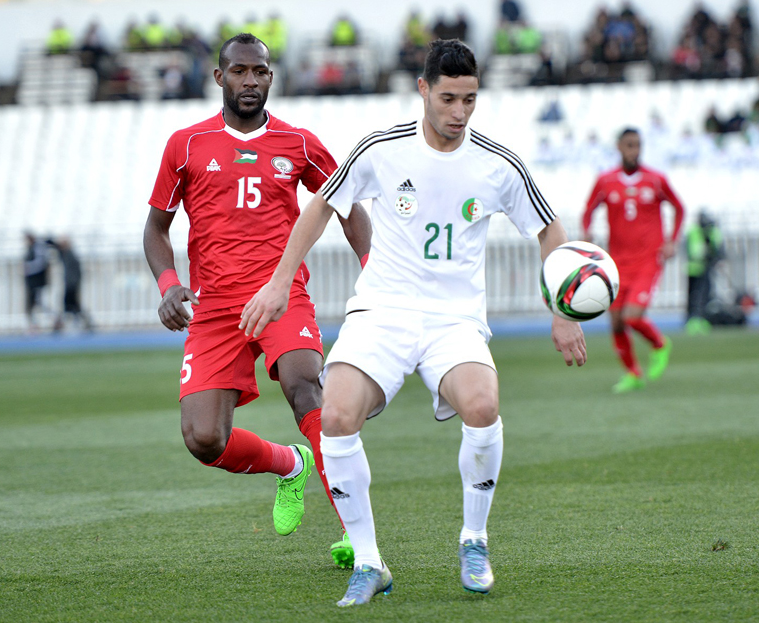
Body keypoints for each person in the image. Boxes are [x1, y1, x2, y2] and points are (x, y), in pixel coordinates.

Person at [242, 39, 586, 606]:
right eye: (448, 98)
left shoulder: (498, 164)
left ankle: (474, 539)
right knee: (336, 415)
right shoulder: (382, 149)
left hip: (454, 320)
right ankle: (369, 562)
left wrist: (563, 309)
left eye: (470, 100)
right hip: (382, 310)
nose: (459, 112)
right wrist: (279, 282)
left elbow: (549, 230)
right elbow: (322, 207)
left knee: (483, 405)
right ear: (423, 90)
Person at [143, 34, 372, 565]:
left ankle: (354, 535)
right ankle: (289, 466)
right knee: (204, 438)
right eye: (240, 72)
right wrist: (168, 285)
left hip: (279, 291)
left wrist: (374, 272)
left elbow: (349, 209)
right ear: (219, 78)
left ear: (272, 77)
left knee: (304, 386)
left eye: (261, 72)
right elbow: (156, 229)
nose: (251, 81)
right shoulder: (187, 145)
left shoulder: (299, 143)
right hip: (215, 306)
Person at [582, 128, 685, 393]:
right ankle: (633, 373)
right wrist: (587, 234)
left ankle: (660, 344)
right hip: (617, 262)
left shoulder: (656, 179)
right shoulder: (606, 181)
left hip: (649, 260)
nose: (634, 150)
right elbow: (588, 210)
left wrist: (672, 240)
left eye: (637, 145)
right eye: (629, 145)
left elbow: (679, 208)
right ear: (618, 147)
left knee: (632, 317)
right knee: (616, 321)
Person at [685, 211, 723, 335]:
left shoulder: (712, 231)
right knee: (695, 296)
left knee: (705, 295)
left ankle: (701, 319)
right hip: (695, 269)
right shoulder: (694, 232)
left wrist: (715, 257)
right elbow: (694, 252)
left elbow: (718, 248)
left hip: (705, 269)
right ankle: (693, 320)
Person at [48, 236, 94, 333]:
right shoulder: (67, 254)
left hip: (71, 285)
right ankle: (83, 323)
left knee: (71, 306)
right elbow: (57, 249)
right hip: (70, 284)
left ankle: (60, 325)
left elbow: (76, 272)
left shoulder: (70, 255)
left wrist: (73, 284)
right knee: (72, 306)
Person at [23, 231, 50, 332]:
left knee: (37, 304)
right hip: (32, 283)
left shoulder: (38, 248)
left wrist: (28, 267)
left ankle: (54, 320)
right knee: (32, 305)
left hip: (37, 283)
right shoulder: (32, 248)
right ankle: (33, 325)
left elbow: (41, 263)